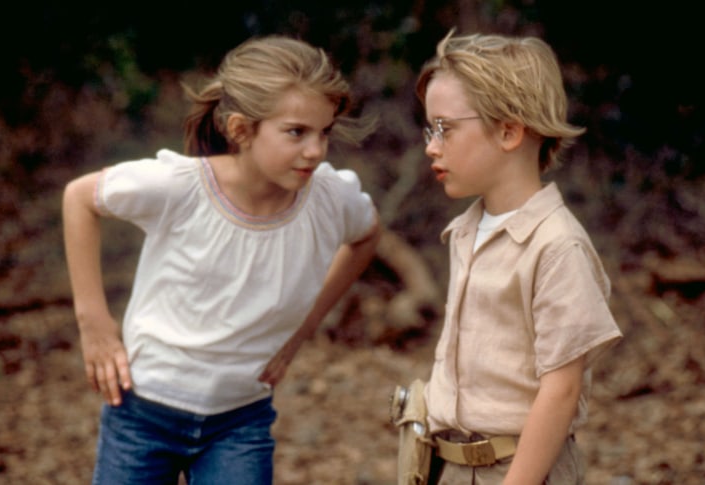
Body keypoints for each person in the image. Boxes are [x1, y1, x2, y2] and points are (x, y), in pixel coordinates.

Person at [62, 35, 380, 485]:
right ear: (240, 129)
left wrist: (301, 332)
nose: (316, 150)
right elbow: (80, 197)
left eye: (324, 132)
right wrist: (93, 322)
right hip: (141, 412)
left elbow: (367, 236)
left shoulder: (332, 198)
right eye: (296, 132)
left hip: (240, 422)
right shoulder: (178, 187)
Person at [414, 30, 623, 484]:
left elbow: (561, 390)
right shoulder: (466, 231)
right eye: (430, 129)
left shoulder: (556, 246)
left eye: (446, 129)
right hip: (450, 467)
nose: (431, 146)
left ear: (509, 131)